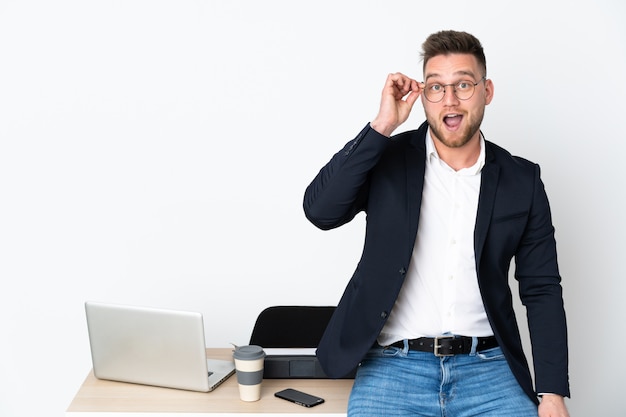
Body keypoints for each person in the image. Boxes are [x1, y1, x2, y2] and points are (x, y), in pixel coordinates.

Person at [303, 30, 570, 417]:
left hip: (490, 372)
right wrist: (381, 126)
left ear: (486, 90)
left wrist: (551, 393)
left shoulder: (521, 180)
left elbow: (542, 288)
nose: (450, 99)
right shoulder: (387, 160)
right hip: (393, 368)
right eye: (436, 87)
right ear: (423, 95)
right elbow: (320, 211)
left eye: (463, 84)